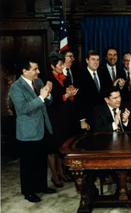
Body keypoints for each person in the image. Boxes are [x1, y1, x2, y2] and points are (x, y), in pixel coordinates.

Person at [9, 58, 56, 202]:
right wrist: (41, 97)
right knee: (28, 164)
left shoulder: (38, 82)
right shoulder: (16, 87)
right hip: (28, 132)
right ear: (25, 71)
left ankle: (41, 186)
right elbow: (23, 109)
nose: (38, 71)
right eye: (35, 69)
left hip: (42, 128)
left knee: (41, 160)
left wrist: (48, 95)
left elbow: (48, 102)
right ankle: (28, 192)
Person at [46, 52, 78, 187]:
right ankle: (55, 176)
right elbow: (49, 101)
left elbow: (67, 96)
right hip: (53, 118)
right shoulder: (48, 79)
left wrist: (71, 94)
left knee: (61, 147)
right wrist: (65, 95)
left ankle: (61, 173)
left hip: (64, 118)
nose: (62, 66)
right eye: (60, 64)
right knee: (52, 148)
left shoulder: (64, 77)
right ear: (53, 66)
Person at [77, 50, 108, 131]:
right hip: (88, 117)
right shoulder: (80, 75)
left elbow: (107, 92)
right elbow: (79, 100)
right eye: (93, 59)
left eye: (97, 59)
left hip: (103, 116)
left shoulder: (103, 72)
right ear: (87, 60)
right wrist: (82, 120)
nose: (96, 62)